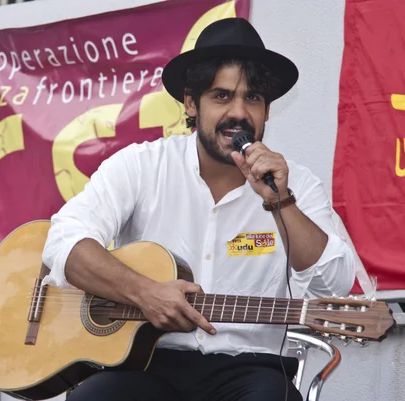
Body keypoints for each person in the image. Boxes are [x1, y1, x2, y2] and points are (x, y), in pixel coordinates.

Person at [41, 17, 355, 401]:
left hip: (252, 370)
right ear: (191, 102)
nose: (239, 112)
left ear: (268, 111)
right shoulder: (142, 166)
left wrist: (279, 201)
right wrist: (144, 292)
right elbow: (63, 241)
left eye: (253, 98)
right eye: (222, 96)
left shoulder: (296, 184)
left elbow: (334, 286)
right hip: (146, 365)